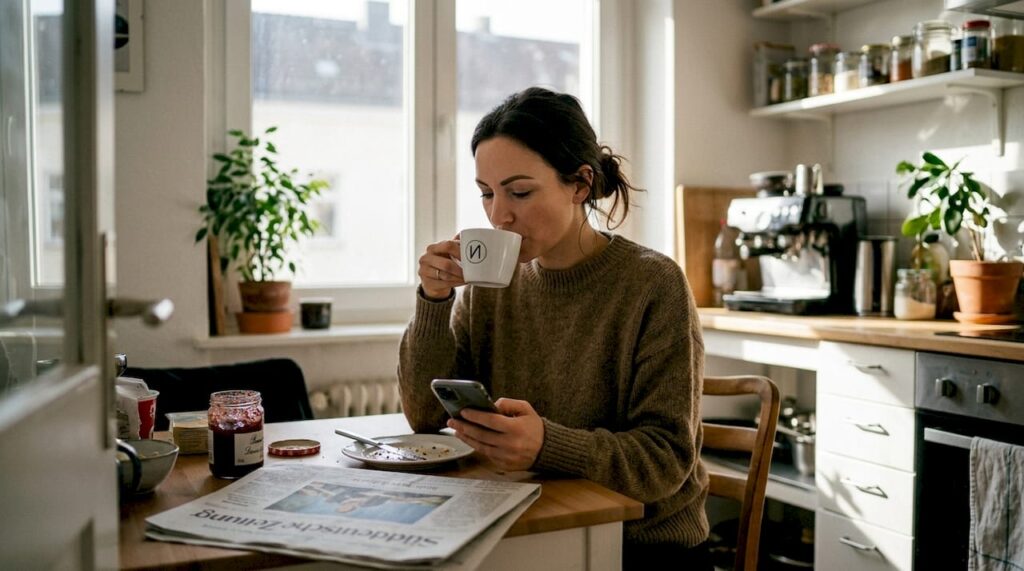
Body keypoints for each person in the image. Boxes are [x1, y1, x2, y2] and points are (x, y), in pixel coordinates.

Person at [397, 87, 709, 570]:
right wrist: (434, 300)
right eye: (486, 193)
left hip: (641, 546)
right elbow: (425, 417)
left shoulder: (653, 283)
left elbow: (665, 460)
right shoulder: (490, 285)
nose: (499, 214)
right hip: (527, 524)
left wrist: (549, 444)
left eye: (519, 192)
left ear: (581, 184)